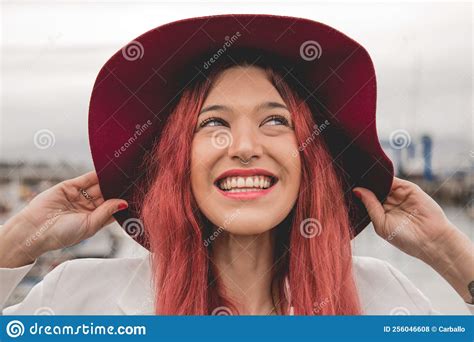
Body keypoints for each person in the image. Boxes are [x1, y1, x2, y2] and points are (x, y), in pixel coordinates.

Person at [1, 14, 473, 315]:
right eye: (212, 124)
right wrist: (15, 247)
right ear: (177, 162)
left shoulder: (382, 299)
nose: (244, 146)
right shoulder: (77, 303)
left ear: (309, 157)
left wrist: (452, 255)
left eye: (274, 120)